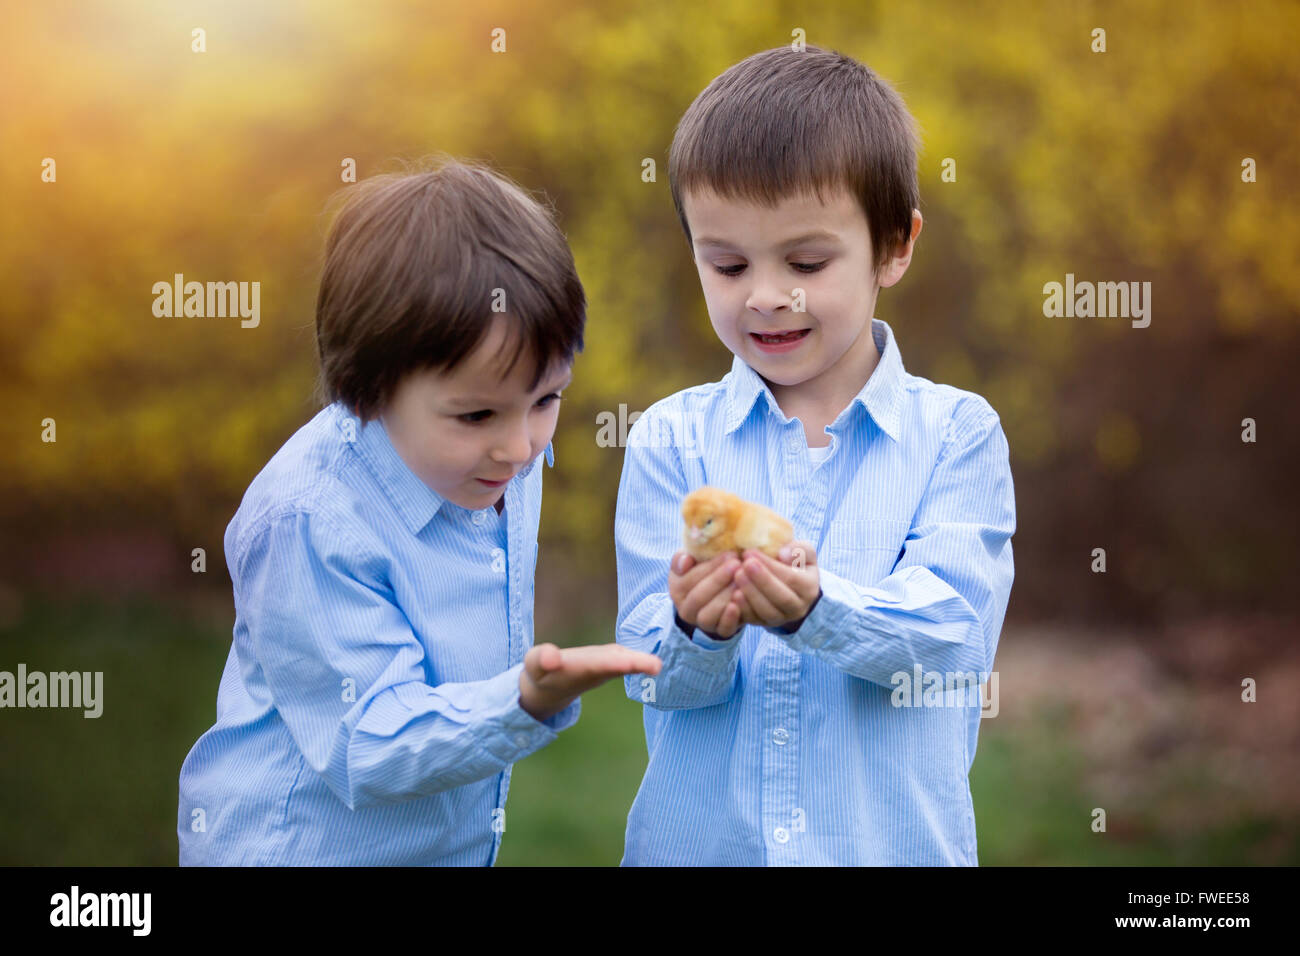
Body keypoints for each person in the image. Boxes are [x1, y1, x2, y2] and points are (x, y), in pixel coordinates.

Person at [178, 156, 660, 865]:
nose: (521, 446)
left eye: (548, 399)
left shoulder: (493, 457)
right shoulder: (310, 521)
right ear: (365, 387)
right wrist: (519, 702)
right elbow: (368, 739)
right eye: (476, 415)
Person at [614, 46, 1016, 865]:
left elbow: (952, 642)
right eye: (727, 263)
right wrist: (695, 626)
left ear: (894, 247)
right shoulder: (670, 438)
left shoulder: (958, 435)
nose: (765, 295)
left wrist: (814, 608)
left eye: (805, 263)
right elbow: (651, 671)